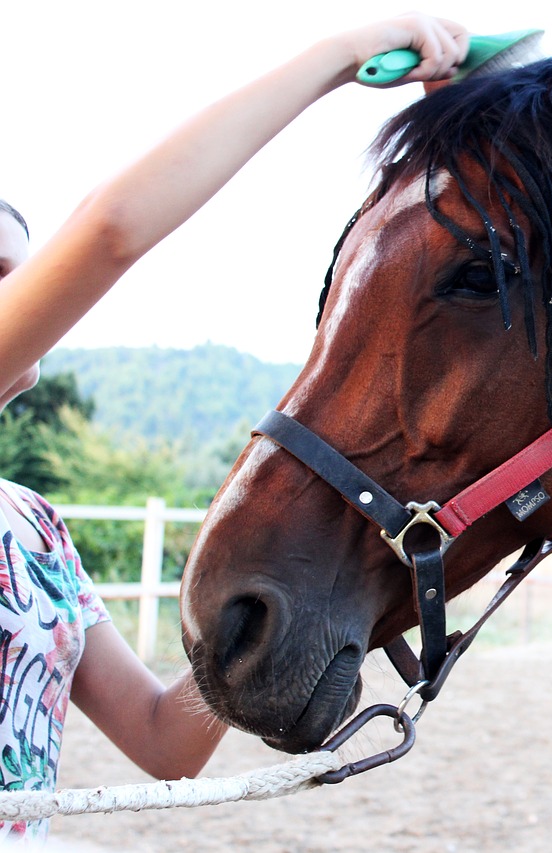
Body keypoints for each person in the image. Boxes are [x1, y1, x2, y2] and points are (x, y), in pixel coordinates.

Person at [0, 14, 468, 844]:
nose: (23, 290)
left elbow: (162, 740)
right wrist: (337, 55)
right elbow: (110, 232)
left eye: (19, 272)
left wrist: (262, 622)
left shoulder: (36, 532)